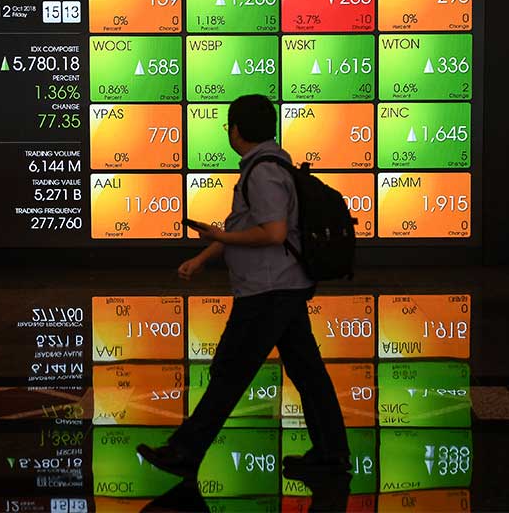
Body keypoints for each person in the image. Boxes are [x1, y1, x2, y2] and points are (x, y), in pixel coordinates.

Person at [137, 94, 350, 480]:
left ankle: (185, 451)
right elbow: (247, 226)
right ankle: (331, 455)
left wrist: (220, 236)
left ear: (236, 130)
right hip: (282, 287)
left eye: (228, 125)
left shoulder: (263, 173)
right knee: (307, 372)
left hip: (267, 292)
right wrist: (204, 256)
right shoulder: (269, 165)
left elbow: (273, 232)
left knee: (230, 371)